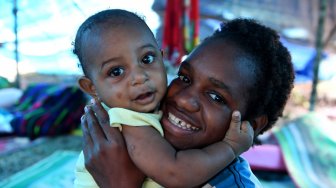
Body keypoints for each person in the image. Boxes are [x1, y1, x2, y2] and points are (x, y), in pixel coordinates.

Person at [80, 17, 295, 187]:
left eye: (216, 97)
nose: (183, 100)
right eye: (184, 78)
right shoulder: (131, 120)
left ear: (252, 125)